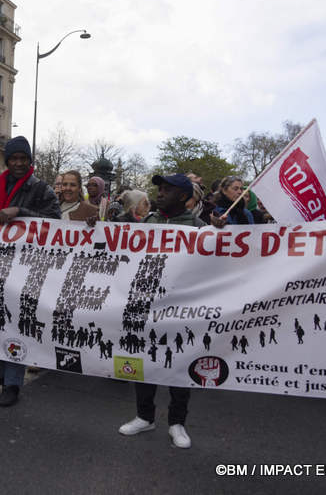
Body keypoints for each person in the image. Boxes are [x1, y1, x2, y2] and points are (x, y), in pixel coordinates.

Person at [0, 136, 60, 407]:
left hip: (24, 269)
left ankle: (12, 383)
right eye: (14, 159)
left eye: (23, 158)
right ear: (7, 161)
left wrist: (20, 212)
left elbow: (55, 224)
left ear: (30, 161)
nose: (19, 163)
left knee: (15, 324)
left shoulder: (42, 189)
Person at [119, 174, 204, 449]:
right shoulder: (149, 222)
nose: (160, 193)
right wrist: (94, 226)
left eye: (168, 190)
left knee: (179, 365)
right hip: (147, 306)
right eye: (160, 189)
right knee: (144, 362)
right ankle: (145, 417)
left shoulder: (198, 226)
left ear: (183, 196)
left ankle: (177, 423)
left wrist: (219, 233)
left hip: (181, 309)